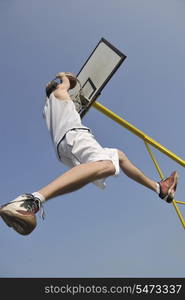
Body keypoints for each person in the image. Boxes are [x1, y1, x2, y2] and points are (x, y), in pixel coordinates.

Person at [0, 72, 179, 235]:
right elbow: (66, 82)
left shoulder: (48, 108)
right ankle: (30, 200)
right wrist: (64, 77)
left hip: (63, 148)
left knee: (118, 156)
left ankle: (159, 188)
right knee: (107, 165)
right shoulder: (59, 93)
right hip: (75, 135)